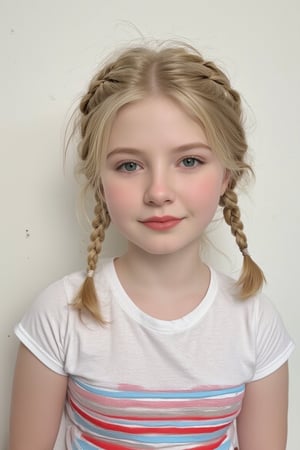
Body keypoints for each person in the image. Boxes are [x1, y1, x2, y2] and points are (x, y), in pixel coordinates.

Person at [9, 42, 294, 450]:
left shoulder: (256, 323)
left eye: (190, 161)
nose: (158, 192)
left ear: (227, 175)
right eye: (129, 165)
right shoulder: (60, 314)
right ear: (99, 182)